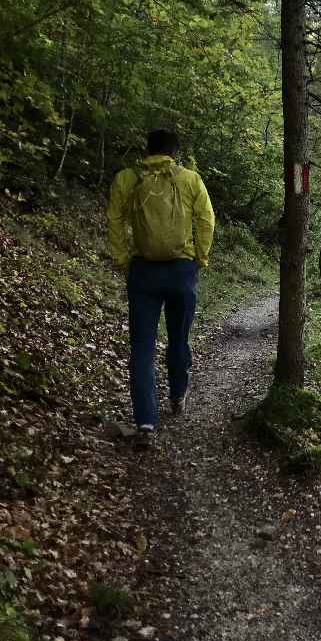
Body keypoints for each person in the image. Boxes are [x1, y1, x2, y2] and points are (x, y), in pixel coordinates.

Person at [107, 128, 215, 445]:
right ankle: (178, 395)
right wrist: (200, 258)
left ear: (147, 150)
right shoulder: (189, 179)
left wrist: (123, 260)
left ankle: (144, 423)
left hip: (142, 271)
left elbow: (114, 219)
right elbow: (207, 219)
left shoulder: (128, 178)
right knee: (178, 338)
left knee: (142, 347)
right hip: (182, 270)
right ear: (174, 153)